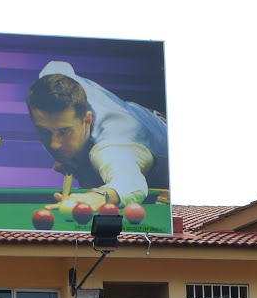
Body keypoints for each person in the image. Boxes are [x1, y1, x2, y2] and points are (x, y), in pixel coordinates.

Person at [26, 61, 169, 212]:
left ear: (87, 120)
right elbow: (57, 66)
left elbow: (131, 183)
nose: (54, 144)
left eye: (64, 131)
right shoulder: (58, 84)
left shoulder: (112, 146)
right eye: (45, 132)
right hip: (136, 113)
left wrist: (96, 196)